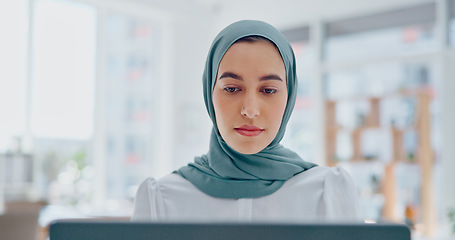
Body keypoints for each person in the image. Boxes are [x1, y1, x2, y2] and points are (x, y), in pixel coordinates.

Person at [131, 20, 360, 222]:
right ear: (209, 92)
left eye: (269, 90)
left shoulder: (326, 192)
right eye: (231, 88)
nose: (250, 111)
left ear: (289, 97)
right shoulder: (159, 198)